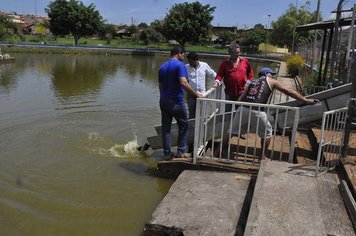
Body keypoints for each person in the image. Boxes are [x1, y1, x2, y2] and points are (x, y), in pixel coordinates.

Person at [218, 67, 318, 159]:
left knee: (230, 131)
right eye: (271, 74)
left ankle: (217, 152)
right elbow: (290, 91)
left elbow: (241, 97)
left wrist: (239, 111)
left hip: (243, 108)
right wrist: (306, 100)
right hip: (257, 111)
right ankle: (262, 156)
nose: (273, 76)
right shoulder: (271, 81)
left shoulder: (252, 82)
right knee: (268, 133)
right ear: (267, 74)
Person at [158, 46, 202, 160]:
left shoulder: (162, 66)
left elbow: (161, 86)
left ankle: (167, 154)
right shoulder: (180, 65)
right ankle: (180, 152)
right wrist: (197, 94)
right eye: (183, 55)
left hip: (163, 100)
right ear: (179, 53)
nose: (184, 57)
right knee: (184, 125)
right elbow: (183, 83)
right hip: (176, 101)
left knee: (166, 128)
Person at [213, 43, 254, 110]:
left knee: (239, 112)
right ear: (230, 53)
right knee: (228, 113)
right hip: (229, 93)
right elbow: (219, 75)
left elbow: (250, 74)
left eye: (239, 52)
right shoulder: (225, 64)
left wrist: (248, 82)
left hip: (242, 92)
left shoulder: (244, 61)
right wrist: (217, 82)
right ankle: (228, 120)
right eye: (236, 53)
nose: (238, 54)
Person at [186, 52, 217, 119]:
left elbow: (213, 74)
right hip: (191, 93)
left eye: (191, 61)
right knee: (191, 112)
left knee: (202, 112)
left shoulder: (204, 65)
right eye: (189, 61)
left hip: (202, 94)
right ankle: (192, 127)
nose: (190, 63)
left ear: (196, 60)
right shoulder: (186, 67)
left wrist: (217, 82)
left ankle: (201, 126)